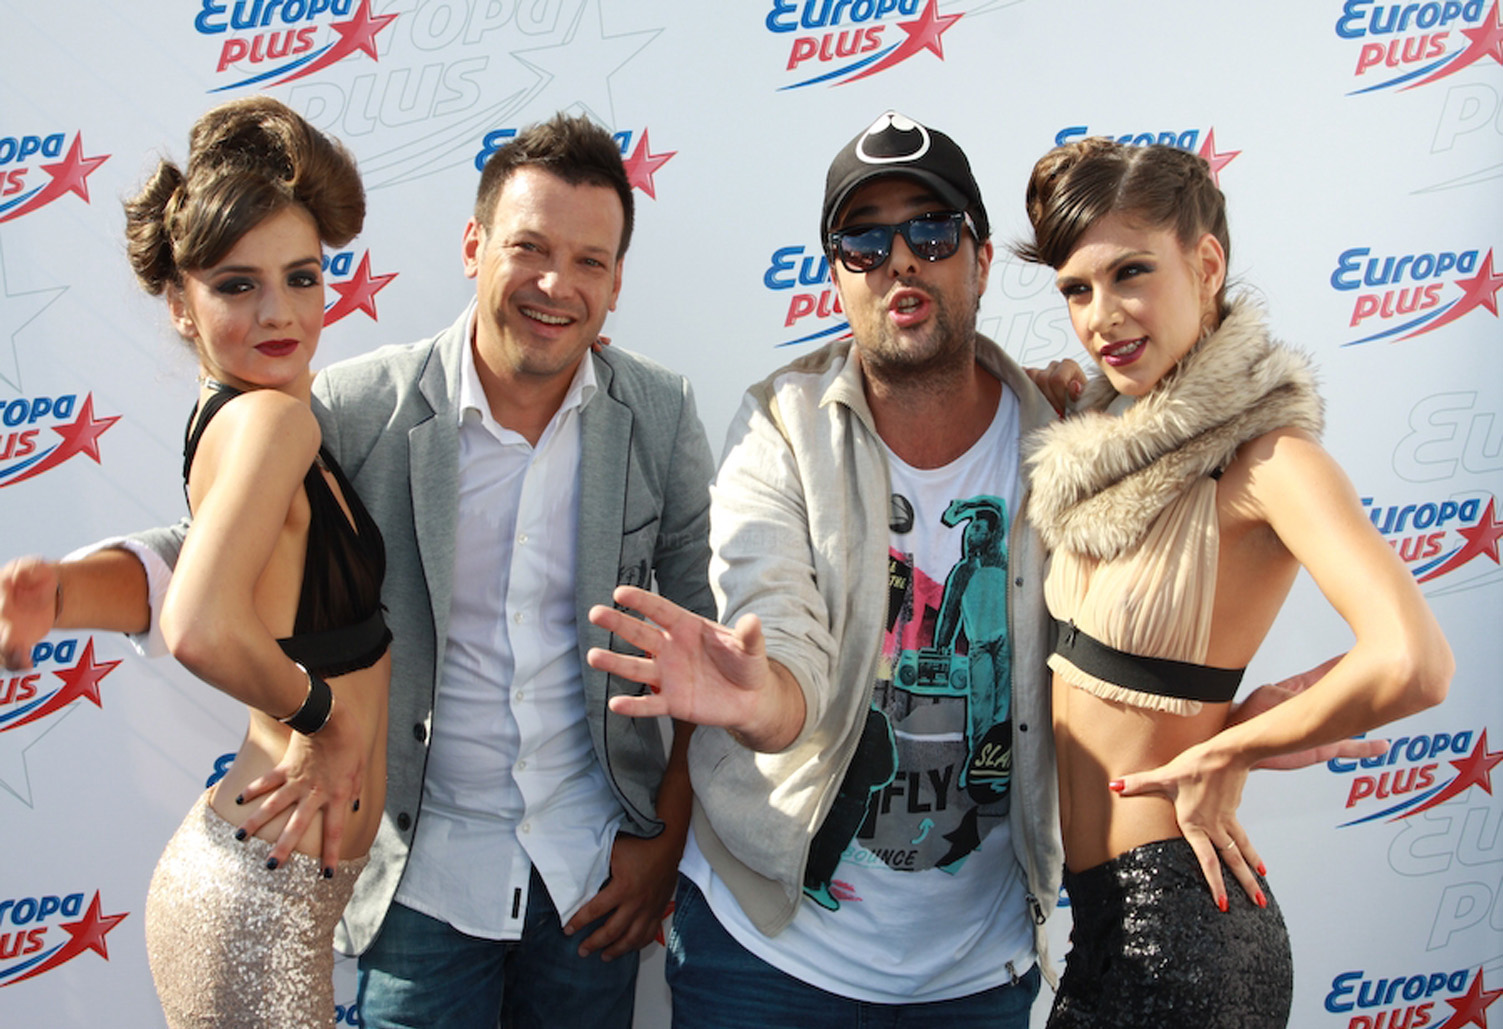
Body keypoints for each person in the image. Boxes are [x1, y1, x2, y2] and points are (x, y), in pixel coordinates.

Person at [1, 112, 714, 1029]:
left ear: (615, 282)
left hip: (590, 879)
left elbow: (699, 643)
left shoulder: (657, 411)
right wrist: (66, 590)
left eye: (588, 261)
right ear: (474, 246)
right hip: (419, 880)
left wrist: (663, 841)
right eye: (529, 247)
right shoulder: (359, 404)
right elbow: (208, 548)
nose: (555, 283)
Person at [587, 109, 1061, 1027]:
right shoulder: (780, 425)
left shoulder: (1064, 443)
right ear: (836, 276)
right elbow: (781, 632)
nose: (900, 260)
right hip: (765, 957)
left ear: (980, 258)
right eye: (864, 241)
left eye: (931, 231)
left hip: (978, 973)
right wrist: (761, 698)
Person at [1013, 138, 1453, 1027]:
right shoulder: (1101, 447)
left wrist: (1233, 749)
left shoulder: (1269, 458)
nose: (1100, 316)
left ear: (1206, 264)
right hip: (1102, 926)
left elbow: (1414, 662)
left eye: (1130, 273)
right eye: (1075, 289)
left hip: (1184, 936)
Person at [0, 96, 392, 1026]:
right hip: (258, 905)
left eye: (302, 277)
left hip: (269, 893)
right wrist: (327, 722)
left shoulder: (249, 417)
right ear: (180, 303)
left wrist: (71, 591)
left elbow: (195, 567)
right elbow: (199, 621)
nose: (279, 311)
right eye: (236, 285)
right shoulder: (273, 421)